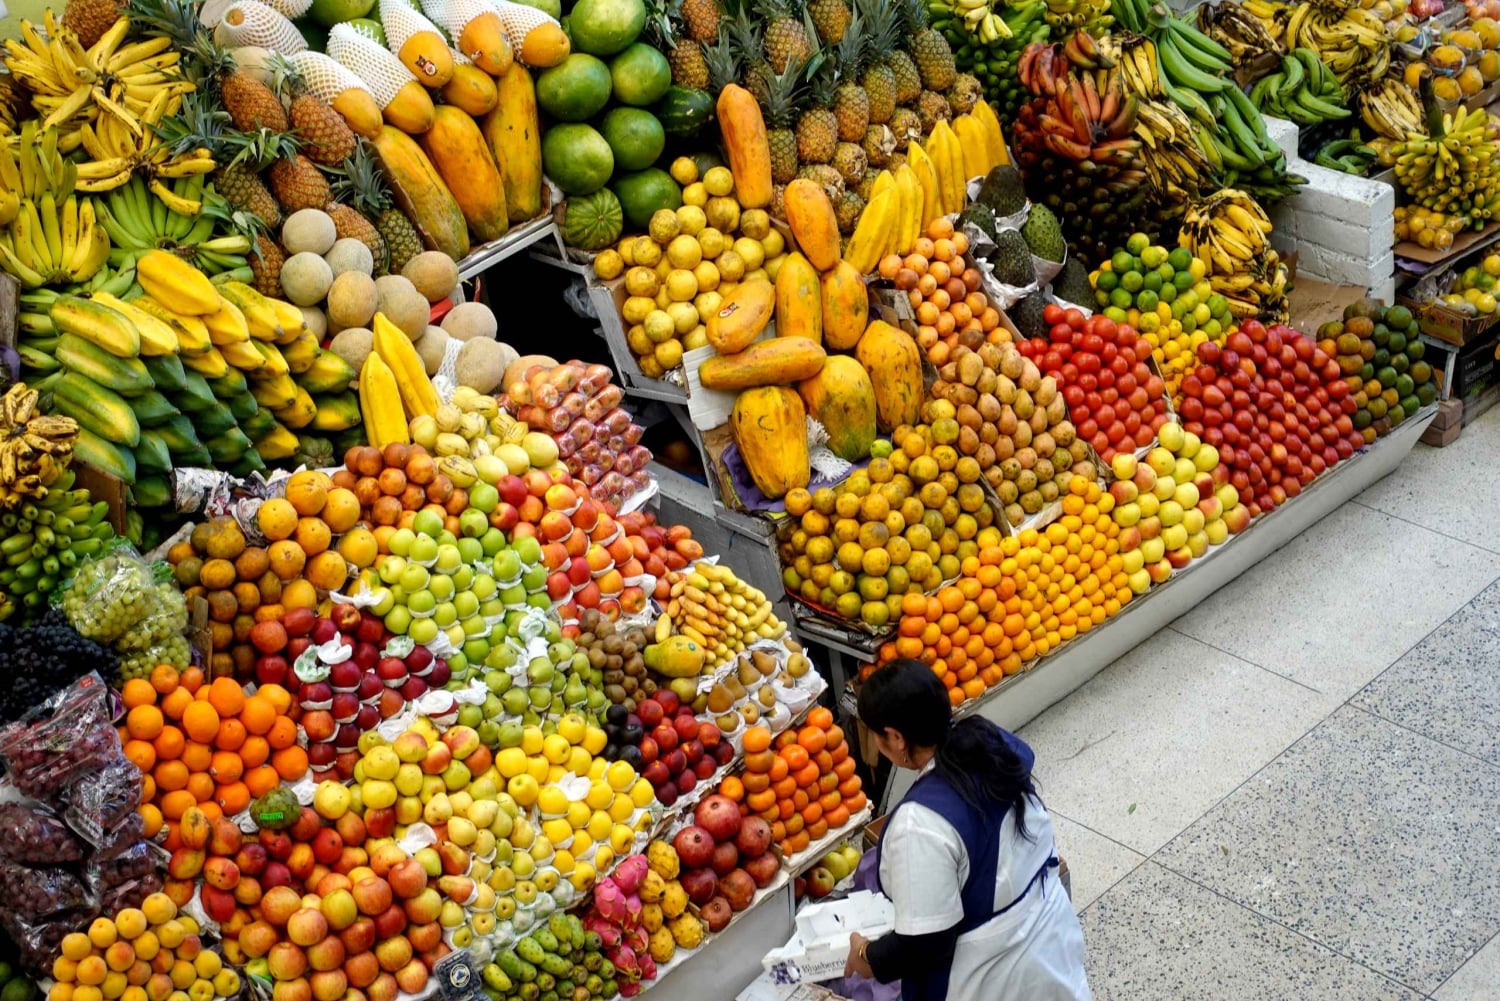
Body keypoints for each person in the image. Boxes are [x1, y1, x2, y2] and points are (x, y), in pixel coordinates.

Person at [842, 659, 1090, 1001]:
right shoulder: (988, 744)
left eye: (874, 732)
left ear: (896, 738)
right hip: (1049, 939)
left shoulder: (920, 823)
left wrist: (867, 956)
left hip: (993, 976)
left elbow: (926, 944)